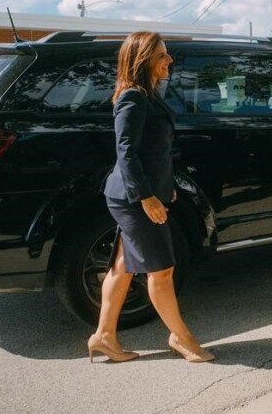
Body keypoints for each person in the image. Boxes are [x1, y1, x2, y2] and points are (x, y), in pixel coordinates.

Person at [89, 31, 214, 364]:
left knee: (122, 267)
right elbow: (126, 151)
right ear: (143, 59)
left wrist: (165, 185)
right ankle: (181, 338)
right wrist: (146, 197)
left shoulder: (147, 95)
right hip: (132, 199)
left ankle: (103, 336)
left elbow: (154, 151)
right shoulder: (133, 96)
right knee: (162, 271)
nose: (169, 60)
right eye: (162, 55)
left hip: (137, 193)